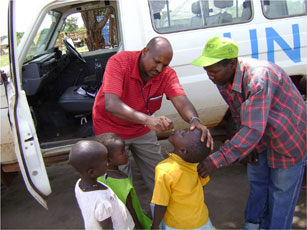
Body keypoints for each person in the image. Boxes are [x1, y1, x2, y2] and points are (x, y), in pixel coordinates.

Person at [192, 36, 307, 230]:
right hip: (259, 133)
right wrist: (248, 145)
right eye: (207, 72)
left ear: (232, 63)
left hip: (288, 136)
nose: (210, 76)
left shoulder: (259, 79)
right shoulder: (223, 80)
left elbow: (253, 128)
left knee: (281, 192)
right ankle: (254, 224)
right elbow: (239, 113)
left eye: (213, 71)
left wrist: (216, 159)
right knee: (258, 181)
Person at [92, 36, 213, 194]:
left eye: (165, 65)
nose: (159, 69)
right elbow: (111, 104)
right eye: (156, 61)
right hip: (110, 130)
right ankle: (127, 215)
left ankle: (162, 213)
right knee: (118, 182)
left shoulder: (167, 75)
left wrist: (194, 120)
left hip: (141, 128)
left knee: (159, 175)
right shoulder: (119, 62)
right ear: (145, 52)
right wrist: (148, 120)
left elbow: (181, 101)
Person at [151, 128, 213, 230]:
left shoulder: (165, 169)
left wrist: (155, 225)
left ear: (183, 150)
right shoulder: (197, 164)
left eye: (183, 134)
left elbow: (161, 204)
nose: (180, 131)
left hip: (177, 224)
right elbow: (202, 187)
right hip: (201, 220)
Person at [68, 140, 135, 230]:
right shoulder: (101, 200)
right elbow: (108, 227)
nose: (108, 163)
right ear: (92, 172)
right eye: (105, 163)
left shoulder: (79, 185)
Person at [96, 133, 152, 229]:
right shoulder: (121, 181)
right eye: (122, 152)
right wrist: (139, 227)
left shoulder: (100, 178)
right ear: (109, 160)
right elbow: (131, 211)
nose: (127, 153)